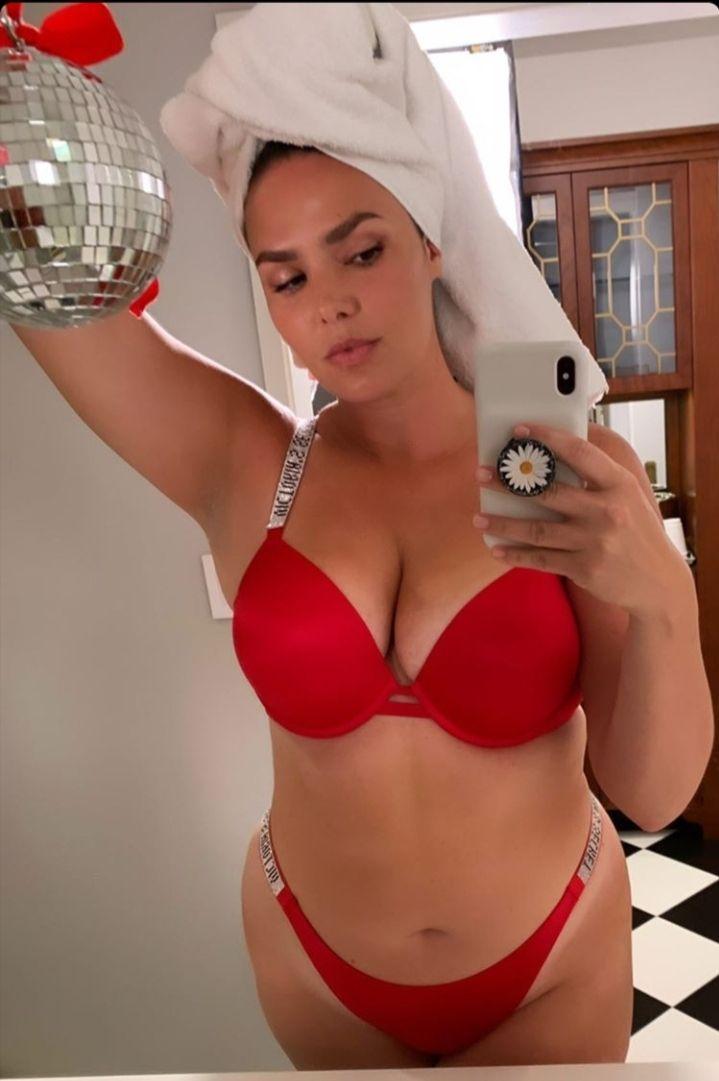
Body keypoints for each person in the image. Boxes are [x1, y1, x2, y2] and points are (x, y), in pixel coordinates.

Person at [8, 140, 634, 1071]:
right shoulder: (245, 458)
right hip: (318, 970)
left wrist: (662, 591)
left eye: (362, 251)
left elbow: (655, 790)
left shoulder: (555, 467)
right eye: (287, 277)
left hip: (554, 958)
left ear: (430, 241)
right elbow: (44, 288)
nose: (329, 302)